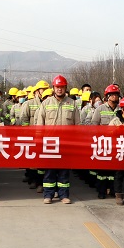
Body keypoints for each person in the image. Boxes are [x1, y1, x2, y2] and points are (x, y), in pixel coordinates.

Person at [35, 75, 80, 205]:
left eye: (61, 87)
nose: (59, 89)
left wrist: (76, 142)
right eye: (57, 87)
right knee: (49, 170)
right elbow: (39, 123)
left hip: (66, 143)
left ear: (65, 88)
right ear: (53, 88)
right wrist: (39, 140)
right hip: (49, 143)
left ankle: (64, 195)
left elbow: (78, 125)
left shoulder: (72, 104)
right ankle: (48, 195)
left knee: (64, 171)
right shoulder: (46, 103)